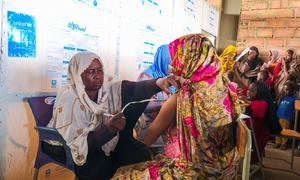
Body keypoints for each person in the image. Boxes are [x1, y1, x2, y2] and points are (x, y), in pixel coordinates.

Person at [112, 34, 241, 179]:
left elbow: (148, 138)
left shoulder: (184, 97)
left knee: (122, 174)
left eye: (178, 58)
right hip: (227, 168)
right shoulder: (227, 91)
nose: (174, 63)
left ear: (189, 61)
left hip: (194, 172)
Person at [45, 51, 179, 179]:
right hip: (66, 145)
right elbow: (78, 142)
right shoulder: (70, 99)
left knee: (139, 153)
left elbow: (131, 89)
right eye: (90, 71)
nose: (97, 75)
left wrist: (158, 83)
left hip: (101, 138)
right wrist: (109, 130)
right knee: (101, 166)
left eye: (99, 70)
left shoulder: (106, 86)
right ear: (77, 74)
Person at [135, 44, 171, 148]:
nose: (173, 66)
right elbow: (142, 105)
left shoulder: (171, 78)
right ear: (162, 61)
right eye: (170, 63)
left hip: (165, 126)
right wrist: (165, 104)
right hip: (148, 125)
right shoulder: (147, 77)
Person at [245, 81, 281, 164]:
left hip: (261, 132)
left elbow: (259, 110)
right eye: (248, 90)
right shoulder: (259, 100)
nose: (248, 92)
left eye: (251, 91)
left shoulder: (264, 102)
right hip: (256, 130)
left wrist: (249, 102)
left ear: (259, 92)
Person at [275, 80, 298, 150]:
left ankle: (283, 143)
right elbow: (278, 104)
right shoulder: (283, 97)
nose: (285, 91)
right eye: (285, 89)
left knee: (284, 130)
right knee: (277, 129)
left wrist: (292, 117)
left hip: (286, 117)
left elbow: (295, 109)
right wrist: (280, 95)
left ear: (293, 90)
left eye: (287, 90)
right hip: (279, 116)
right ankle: (277, 142)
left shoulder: (295, 98)